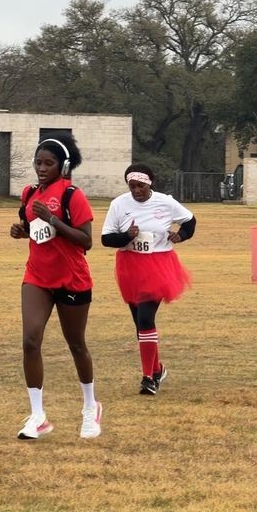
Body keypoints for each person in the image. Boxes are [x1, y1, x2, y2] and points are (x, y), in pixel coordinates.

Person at [9, 133, 101, 439]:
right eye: (38, 162)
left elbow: (86, 240)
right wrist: (21, 231)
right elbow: (34, 229)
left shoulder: (73, 195)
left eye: (49, 163)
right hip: (37, 276)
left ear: (62, 166)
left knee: (76, 344)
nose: (41, 168)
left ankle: (90, 406)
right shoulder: (29, 193)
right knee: (30, 341)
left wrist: (54, 220)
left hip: (72, 278)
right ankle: (37, 416)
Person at [101, 164, 196, 395]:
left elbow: (190, 221)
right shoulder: (119, 204)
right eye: (132, 186)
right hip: (130, 267)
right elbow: (106, 239)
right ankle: (157, 369)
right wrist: (126, 236)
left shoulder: (165, 202)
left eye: (140, 186)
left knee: (145, 318)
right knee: (140, 323)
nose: (136, 191)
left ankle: (148, 379)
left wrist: (180, 235)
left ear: (150, 183)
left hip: (158, 266)